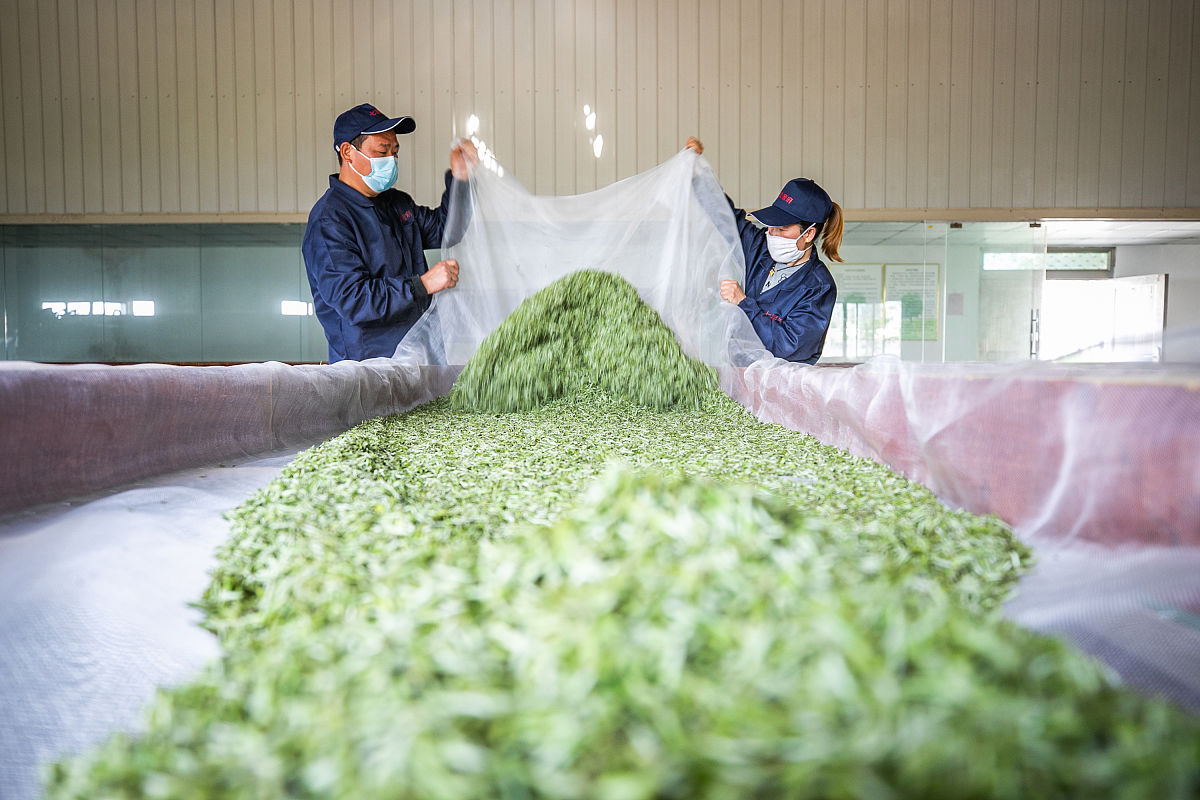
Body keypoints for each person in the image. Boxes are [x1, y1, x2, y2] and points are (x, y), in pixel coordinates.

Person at [302, 103, 478, 363]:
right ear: (348, 152)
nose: (391, 160)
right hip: (368, 369)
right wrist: (422, 284)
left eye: (395, 152)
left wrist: (460, 179)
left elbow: (445, 229)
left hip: (419, 358)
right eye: (382, 151)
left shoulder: (396, 204)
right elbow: (354, 300)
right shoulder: (330, 220)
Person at [685, 137, 843, 364]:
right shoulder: (759, 247)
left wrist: (743, 303)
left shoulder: (818, 287)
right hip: (738, 374)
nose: (772, 233)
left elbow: (789, 347)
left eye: (782, 228)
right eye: (771, 225)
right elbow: (725, 218)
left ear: (808, 234)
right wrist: (698, 172)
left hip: (778, 384)